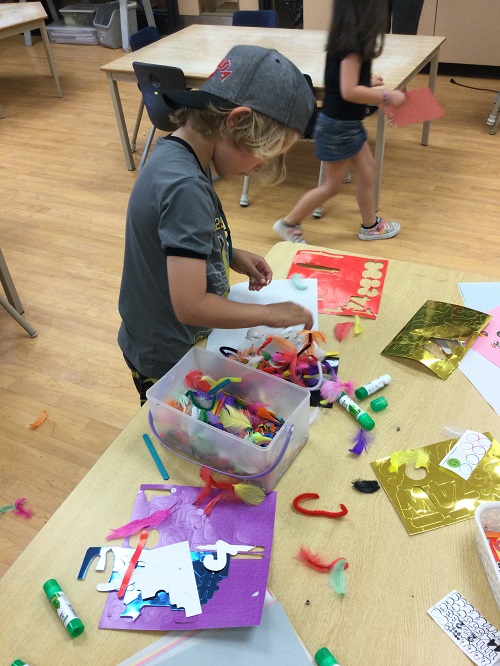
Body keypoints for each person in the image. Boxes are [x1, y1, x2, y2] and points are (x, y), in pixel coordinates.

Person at [118, 45, 316, 404]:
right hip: (168, 354)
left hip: (156, 336)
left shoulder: (174, 154)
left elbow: (170, 238)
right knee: (184, 431)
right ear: (236, 120)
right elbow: (191, 305)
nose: (258, 168)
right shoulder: (186, 186)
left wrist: (228, 251)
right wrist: (271, 314)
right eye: (263, 155)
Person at [273, 0, 406, 244]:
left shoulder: (344, 40)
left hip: (345, 124)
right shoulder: (353, 46)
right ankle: (289, 223)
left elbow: (344, 84)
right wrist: (387, 95)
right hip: (339, 128)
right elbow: (348, 91)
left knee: (368, 173)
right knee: (331, 187)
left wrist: (367, 81)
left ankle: (370, 226)